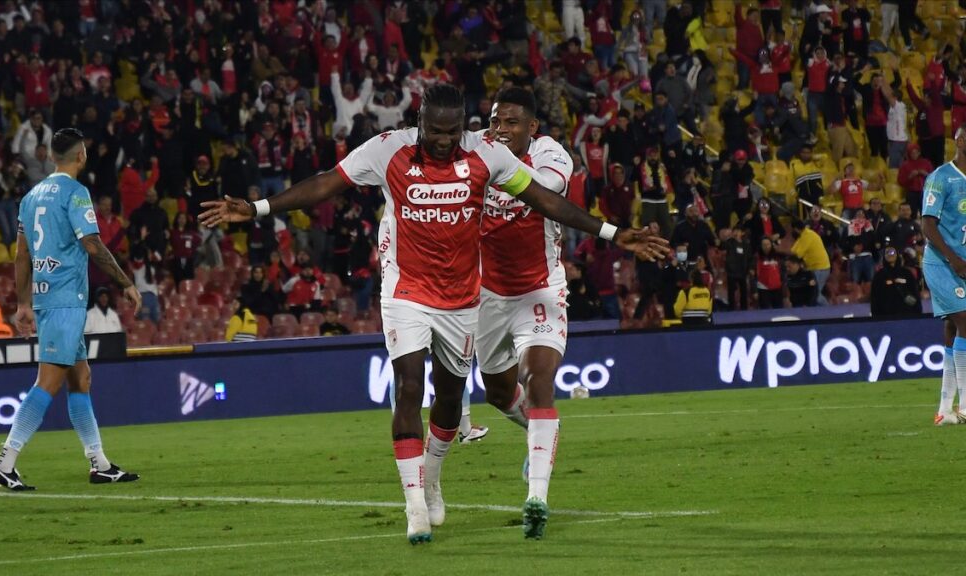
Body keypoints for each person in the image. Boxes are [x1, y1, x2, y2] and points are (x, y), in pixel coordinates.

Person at [198, 84, 669, 544]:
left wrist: (613, 233)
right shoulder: (388, 149)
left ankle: (435, 475)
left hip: (464, 297)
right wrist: (258, 208)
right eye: (435, 131)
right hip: (405, 291)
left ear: (462, 127)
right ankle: (415, 508)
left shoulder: (485, 154)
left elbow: (543, 200)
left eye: (452, 132)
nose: (444, 141)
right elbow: (327, 183)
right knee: (408, 386)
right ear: (419, 122)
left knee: (450, 397)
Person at [0, 128, 142, 491]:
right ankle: (5, 462)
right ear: (81, 156)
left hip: (46, 296)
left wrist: (24, 302)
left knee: (80, 378)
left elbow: (21, 254)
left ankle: (99, 463)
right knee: (49, 381)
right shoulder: (76, 193)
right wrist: (126, 283)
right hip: (65, 298)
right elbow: (91, 243)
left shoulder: (30, 196)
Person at [473, 88, 576, 494]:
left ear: (532, 127)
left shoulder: (552, 155)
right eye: (495, 121)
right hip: (488, 295)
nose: (500, 130)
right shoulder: (478, 147)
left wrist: (494, 167)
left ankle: (537, 493)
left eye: (511, 122)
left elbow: (544, 190)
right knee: (498, 391)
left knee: (538, 379)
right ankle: (539, 427)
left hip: (540, 290)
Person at [920, 126, 966, 426]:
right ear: (960, 142)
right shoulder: (941, 177)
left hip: (963, 262)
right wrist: (953, 259)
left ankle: (944, 410)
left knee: (953, 327)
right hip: (942, 263)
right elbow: (927, 224)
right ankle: (965, 405)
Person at [871, 246, 922, 317]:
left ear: (897, 255)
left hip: (907, 315)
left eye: (892, 252)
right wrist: (876, 318)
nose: (890, 254)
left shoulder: (906, 273)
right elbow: (874, 298)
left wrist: (918, 314)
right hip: (885, 317)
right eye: (887, 253)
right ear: (884, 256)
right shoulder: (879, 276)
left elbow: (915, 293)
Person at [790, 219, 831, 306]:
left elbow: (798, 254)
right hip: (813, 268)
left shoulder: (808, 236)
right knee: (812, 294)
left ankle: (830, 311)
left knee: (815, 294)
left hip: (820, 268)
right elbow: (793, 250)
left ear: (796, 229)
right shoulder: (803, 235)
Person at [723, 226, 753, 311]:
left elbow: (750, 258)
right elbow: (722, 246)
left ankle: (744, 309)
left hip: (743, 271)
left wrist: (750, 268)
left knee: (744, 291)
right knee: (731, 292)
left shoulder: (746, 245)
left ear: (742, 233)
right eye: (734, 231)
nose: (736, 233)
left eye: (738, 231)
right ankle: (731, 309)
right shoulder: (729, 242)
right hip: (732, 272)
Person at [755, 237, 784, 309]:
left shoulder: (778, 257)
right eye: (764, 245)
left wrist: (782, 283)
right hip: (763, 288)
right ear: (761, 246)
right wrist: (754, 291)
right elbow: (753, 275)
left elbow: (783, 271)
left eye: (768, 244)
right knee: (765, 312)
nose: (766, 247)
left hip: (777, 288)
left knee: (779, 310)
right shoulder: (756, 257)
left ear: (771, 245)